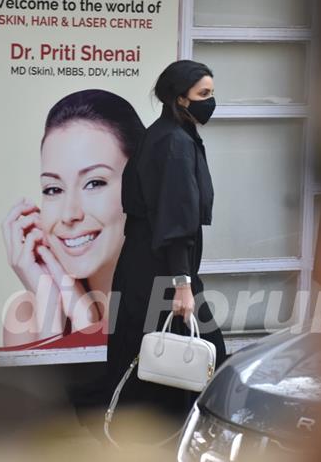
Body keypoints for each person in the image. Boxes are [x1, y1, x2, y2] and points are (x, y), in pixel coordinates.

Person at [105, 60, 227, 440]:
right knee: (207, 356)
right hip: (164, 269)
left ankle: (151, 435)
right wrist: (183, 284)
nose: (211, 101)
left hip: (147, 264)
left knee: (151, 355)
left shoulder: (163, 133)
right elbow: (175, 221)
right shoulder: (174, 143)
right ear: (180, 98)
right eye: (203, 94)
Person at [0, 89, 145, 347]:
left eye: (94, 183)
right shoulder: (26, 314)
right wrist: (50, 315)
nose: (69, 214)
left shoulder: (169, 304)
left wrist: (86, 326)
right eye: (53, 189)